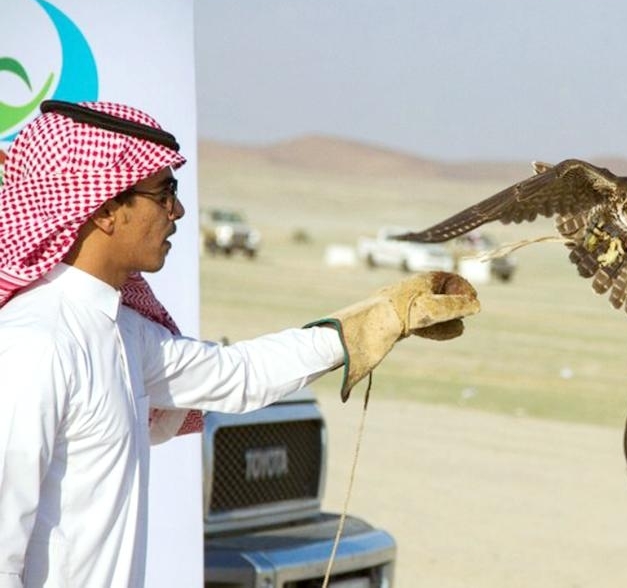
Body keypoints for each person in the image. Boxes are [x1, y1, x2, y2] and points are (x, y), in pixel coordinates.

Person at [0, 100, 480, 588]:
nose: (178, 210)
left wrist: (379, 319)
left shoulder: (123, 332)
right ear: (105, 208)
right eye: (164, 192)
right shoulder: (35, 346)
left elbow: (238, 374)